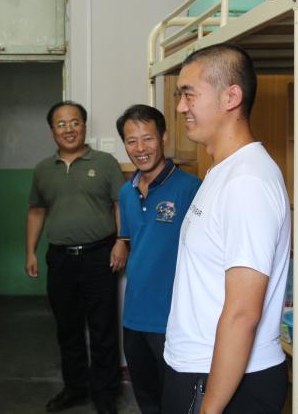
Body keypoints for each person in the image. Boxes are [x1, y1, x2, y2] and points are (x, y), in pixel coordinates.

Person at [162, 43, 291, 413]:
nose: (180, 107)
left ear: (231, 97)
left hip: (224, 380)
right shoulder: (222, 172)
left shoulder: (247, 182)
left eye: (189, 94)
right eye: (179, 96)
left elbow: (243, 312)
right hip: (199, 369)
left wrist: (210, 407)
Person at [25, 101, 126, 414]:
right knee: (67, 329)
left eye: (74, 122)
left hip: (100, 256)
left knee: (103, 328)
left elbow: (120, 205)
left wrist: (122, 242)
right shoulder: (43, 170)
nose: (68, 129)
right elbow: (37, 211)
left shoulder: (106, 163)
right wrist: (30, 251)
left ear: (84, 126)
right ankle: (75, 388)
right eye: (61, 124)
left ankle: (105, 392)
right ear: (52, 131)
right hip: (60, 260)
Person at [115, 105, 200, 413]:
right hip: (134, 316)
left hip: (173, 319)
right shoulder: (126, 192)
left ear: (164, 137)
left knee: (176, 403)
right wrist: (119, 243)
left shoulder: (191, 189)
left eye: (147, 138)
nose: (140, 148)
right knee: (147, 400)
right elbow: (132, 239)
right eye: (131, 141)